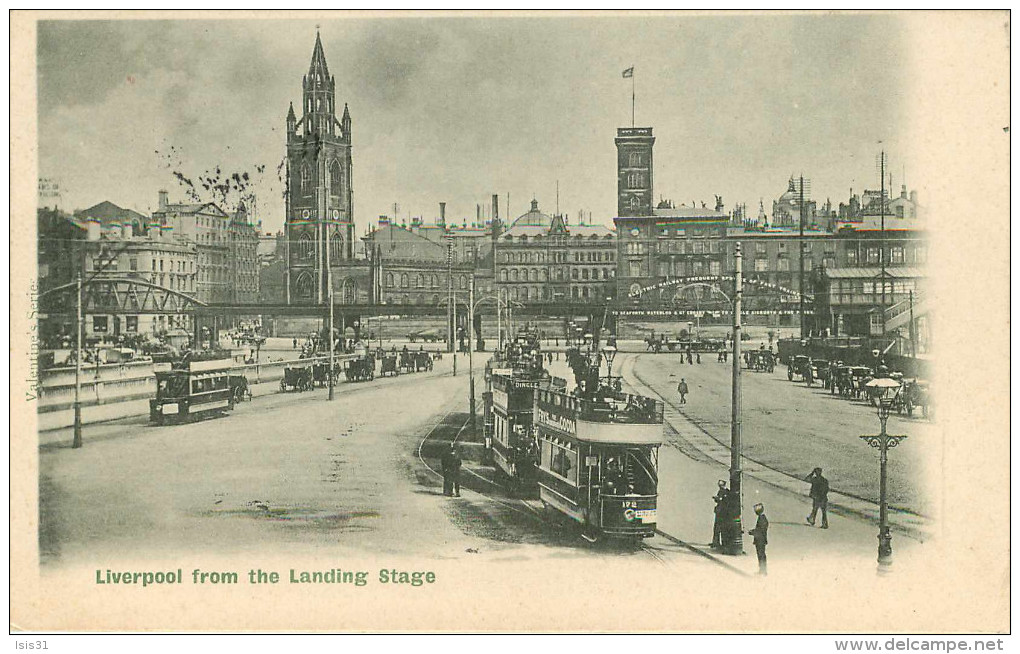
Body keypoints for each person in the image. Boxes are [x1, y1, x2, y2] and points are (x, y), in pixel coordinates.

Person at [747, 503, 769, 575]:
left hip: (760, 540)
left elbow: (760, 530)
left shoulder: (762, 519)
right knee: (761, 555)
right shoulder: (762, 518)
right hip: (761, 539)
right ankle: (762, 570)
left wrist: (752, 532)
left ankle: (763, 570)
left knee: (761, 555)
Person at [711, 480, 730, 549]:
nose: (719, 487)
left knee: (720, 528)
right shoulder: (721, 491)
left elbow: (725, 501)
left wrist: (718, 499)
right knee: (716, 528)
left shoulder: (726, 492)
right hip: (719, 511)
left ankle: (721, 543)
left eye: (720, 485)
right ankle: (716, 542)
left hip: (722, 513)